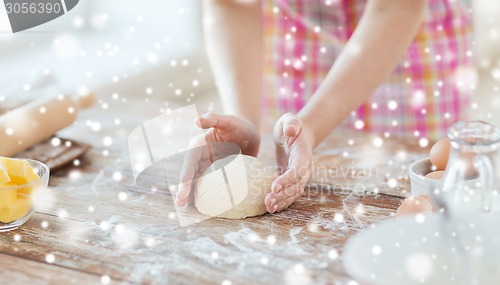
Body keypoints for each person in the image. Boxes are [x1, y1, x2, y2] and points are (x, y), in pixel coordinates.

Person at [175, 0, 474, 214]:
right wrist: (245, 119)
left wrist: (313, 126)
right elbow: (234, 4)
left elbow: (395, 7)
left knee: (416, 196)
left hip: (408, 62)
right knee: (308, 183)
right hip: (302, 55)